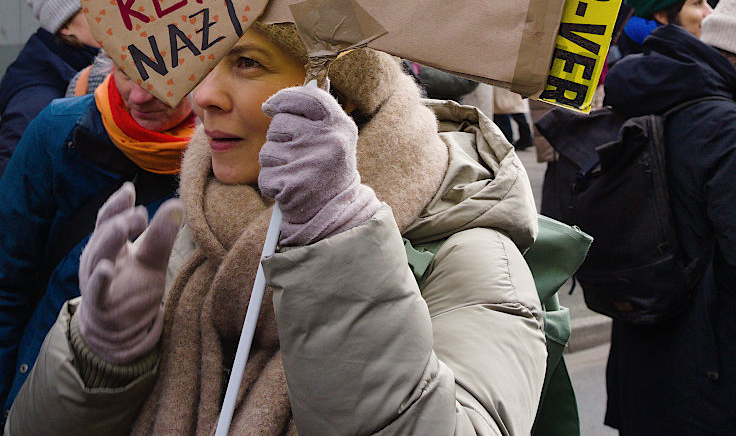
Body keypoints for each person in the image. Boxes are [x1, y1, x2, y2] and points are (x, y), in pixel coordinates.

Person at [6, 23, 547, 436]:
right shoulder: (205, 223)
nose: (203, 95)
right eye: (205, 60)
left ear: (339, 92)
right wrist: (100, 359)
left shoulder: (473, 256)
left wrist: (339, 246)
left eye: (245, 62)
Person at [0, 64, 196, 418]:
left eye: (164, 76)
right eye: (126, 69)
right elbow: (6, 285)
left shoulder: (229, 159)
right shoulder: (56, 133)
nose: (139, 95)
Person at [601, 0, 736, 435]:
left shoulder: (652, 97)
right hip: (708, 375)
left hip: (645, 360)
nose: (702, 7)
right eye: (694, 1)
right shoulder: (724, 127)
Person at [0, 0, 100, 175]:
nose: (107, 13)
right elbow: (13, 188)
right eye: (92, 5)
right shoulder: (36, 100)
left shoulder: (81, 67)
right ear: (64, 25)